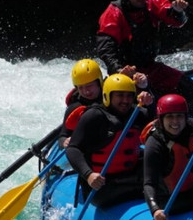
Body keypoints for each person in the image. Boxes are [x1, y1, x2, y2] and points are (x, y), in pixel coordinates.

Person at [94, 0, 193, 118]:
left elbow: (176, 20)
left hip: (151, 68)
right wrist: (119, 70)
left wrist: (177, 11)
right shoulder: (113, 14)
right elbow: (106, 50)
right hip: (127, 74)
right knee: (146, 102)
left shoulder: (152, 3)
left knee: (187, 84)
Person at [65, 73, 152, 209]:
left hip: (131, 177)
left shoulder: (138, 114)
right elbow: (73, 149)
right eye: (120, 95)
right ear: (107, 96)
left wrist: (150, 101)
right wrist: (88, 174)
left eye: (129, 96)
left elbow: (163, 126)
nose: (125, 100)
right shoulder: (94, 116)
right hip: (102, 185)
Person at [60, 59, 151, 147]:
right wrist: (65, 141)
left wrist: (143, 87)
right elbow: (62, 136)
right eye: (80, 88)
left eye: (89, 86)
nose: (86, 91)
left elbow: (138, 104)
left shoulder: (114, 94)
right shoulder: (74, 107)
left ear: (99, 82)